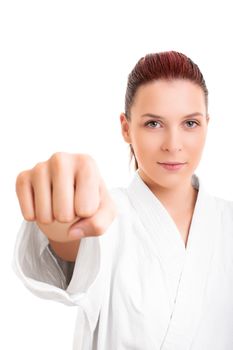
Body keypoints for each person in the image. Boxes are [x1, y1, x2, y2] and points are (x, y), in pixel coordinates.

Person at [13, 51, 233, 349]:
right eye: (154, 124)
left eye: (190, 124)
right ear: (126, 128)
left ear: (207, 124)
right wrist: (61, 224)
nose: (173, 145)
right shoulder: (103, 215)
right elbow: (76, 252)